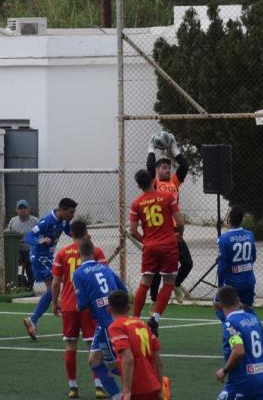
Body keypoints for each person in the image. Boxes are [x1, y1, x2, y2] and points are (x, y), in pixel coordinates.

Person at [51, 220, 109, 399]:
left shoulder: (62, 253)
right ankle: (98, 386)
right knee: (93, 345)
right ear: (86, 231)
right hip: (89, 307)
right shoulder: (95, 251)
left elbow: (56, 282)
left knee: (70, 345)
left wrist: (55, 302)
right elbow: (105, 276)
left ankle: (73, 387)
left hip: (69, 306)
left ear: (71, 233)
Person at [129, 169, 183, 336]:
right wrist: (179, 235)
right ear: (153, 181)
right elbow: (180, 221)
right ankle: (155, 319)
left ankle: (135, 319)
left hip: (150, 247)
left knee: (145, 282)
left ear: (138, 186)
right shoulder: (167, 197)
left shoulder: (136, 203)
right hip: (168, 245)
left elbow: (132, 231)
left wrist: (145, 241)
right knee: (168, 282)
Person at [73, 238, 127, 400]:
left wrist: (75, 306)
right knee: (94, 360)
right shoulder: (105, 268)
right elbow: (123, 290)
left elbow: (82, 304)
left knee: (113, 365)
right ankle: (117, 395)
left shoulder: (78, 274)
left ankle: (144, 382)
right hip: (113, 319)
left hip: (106, 323)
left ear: (79, 253)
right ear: (94, 252)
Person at [22, 197, 77, 340]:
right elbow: (28, 236)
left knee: (52, 290)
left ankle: (33, 320)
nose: (73, 215)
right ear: (62, 210)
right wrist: (39, 241)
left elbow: (67, 230)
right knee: (63, 279)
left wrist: (79, 236)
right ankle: (66, 307)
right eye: (71, 212)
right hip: (40, 257)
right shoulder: (46, 221)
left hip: (48, 257)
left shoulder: (64, 220)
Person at [146, 133, 192, 304]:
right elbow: (149, 166)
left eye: (168, 167)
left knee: (187, 263)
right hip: (160, 231)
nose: (167, 170)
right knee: (158, 269)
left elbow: (185, 166)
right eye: (164, 167)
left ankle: (176, 284)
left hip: (175, 231)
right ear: (157, 170)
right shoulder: (154, 184)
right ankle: (154, 299)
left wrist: (174, 149)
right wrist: (151, 148)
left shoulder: (174, 182)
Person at [214, 285, 263, 400]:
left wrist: (224, 371)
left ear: (220, 305)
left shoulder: (230, 324)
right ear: (238, 300)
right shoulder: (253, 318)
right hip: (261, 379)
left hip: (241, 381)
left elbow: (238, 351)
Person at [107, 290, 165, 400]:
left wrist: (127, 391)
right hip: (153, 386)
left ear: (109, 309)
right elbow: (158, 362)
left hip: (137, 388)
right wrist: (160, 389)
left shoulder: (116, 327)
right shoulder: (141, 323)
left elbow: (128, 359)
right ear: (128, 308)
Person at [217, 205, 257, 316]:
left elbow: (222, 266)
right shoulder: (250, 235)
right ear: (242, 219)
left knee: (220, 308)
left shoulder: (224, 239)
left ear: (229, 218)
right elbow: (253, 257)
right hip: (248, 280)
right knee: (248, 309)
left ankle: (230, 326)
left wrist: (220, 285)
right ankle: (253, 326)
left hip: (232, 283)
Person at [7, 199, 39, 286]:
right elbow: (9, 235)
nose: (22, 210)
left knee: (29, 263)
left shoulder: (35, 221)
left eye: (24, 208)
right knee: (8, 262)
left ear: (28, 209)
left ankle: (30, 285)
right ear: (16, 210)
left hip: (29, 249)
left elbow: (40, 235)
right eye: (20, 208)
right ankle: (11, 283)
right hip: (15, 250)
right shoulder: (13, 221)